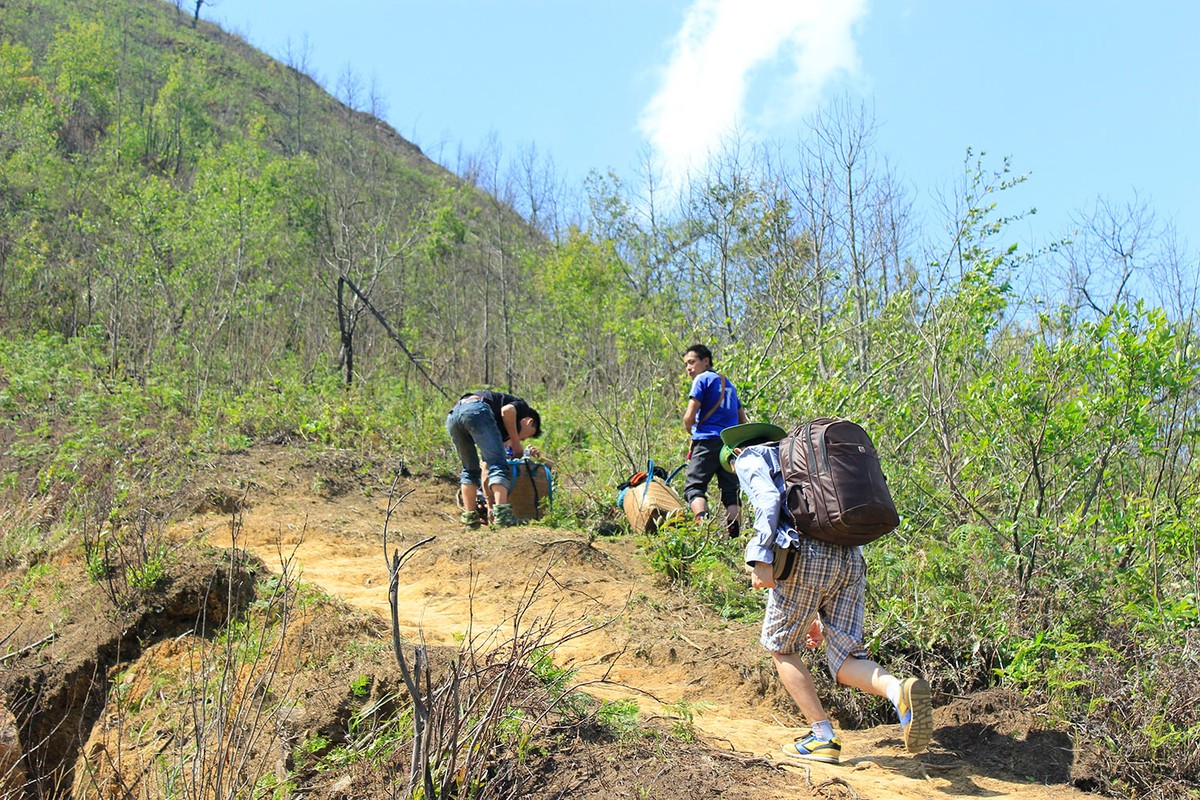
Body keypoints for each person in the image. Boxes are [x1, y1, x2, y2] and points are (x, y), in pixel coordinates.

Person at [719, 421, 933, 764]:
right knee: (847, 659)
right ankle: (898, 691)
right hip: (850, 556)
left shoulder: (749, 457)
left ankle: (822, 737)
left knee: (782, 649)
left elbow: (769, 500)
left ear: (735, 452)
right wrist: (814, 615)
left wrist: (760, 557)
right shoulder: (795, 460)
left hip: (805, 555)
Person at [445, 391, 541, 528]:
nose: (523, 439)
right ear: (529, 421)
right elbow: (507, 410)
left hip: (454, 414)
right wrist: (516, 442)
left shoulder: (497, 426)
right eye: (526, 437)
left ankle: (470, 520)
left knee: (470, 470)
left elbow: (485, 466)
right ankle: (503, 517)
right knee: (499, 466)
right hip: (476, 409)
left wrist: (489, 504)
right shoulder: (522, 407)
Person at [682, 344, 749, 536]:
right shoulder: (729, 385)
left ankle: (703, 528)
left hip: (706, 441)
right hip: (729, 445)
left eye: (692, 362)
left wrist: (693, 432)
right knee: (731, 493)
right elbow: (743, 421)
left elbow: (688, 417)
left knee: (694, 487)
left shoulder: (702, 379)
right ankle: (734, 538)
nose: (688, 368)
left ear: (706, 361)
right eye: (686, 364)